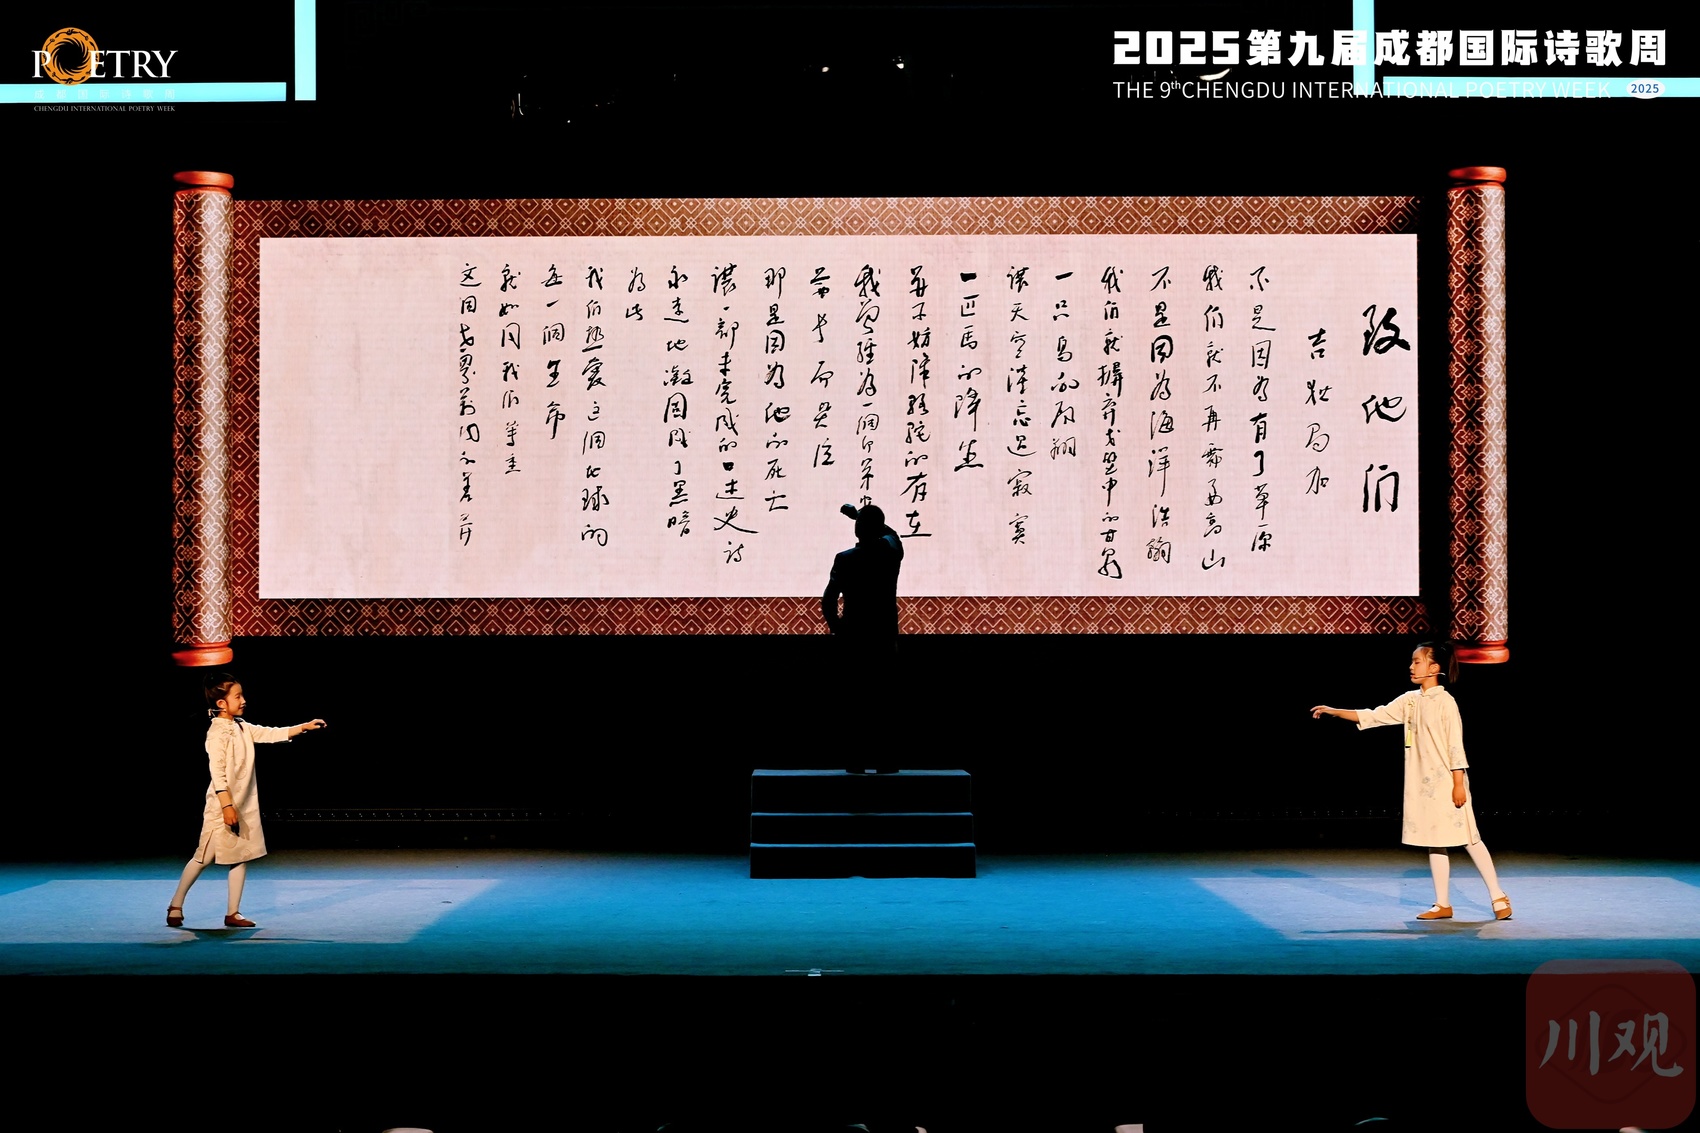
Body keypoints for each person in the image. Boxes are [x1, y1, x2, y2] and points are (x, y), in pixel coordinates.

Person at [1311, 642, 1511, 922]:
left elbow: (1455, 745)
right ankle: (1442, 904)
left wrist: (1458, 783)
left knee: (1469, 838)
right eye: (1412, 661)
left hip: (1447, 782)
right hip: (1422, 784)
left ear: (1434, 667)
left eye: (1417, 662)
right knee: (1435, 841)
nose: (1411, 666)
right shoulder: (1410, 700)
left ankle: (1498, 896)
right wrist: (1335, 711)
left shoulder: (1446, 702)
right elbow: (1374, 715)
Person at [166, 673, 326, 929]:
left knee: (240, 856)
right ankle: (176, 904)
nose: (243, 700)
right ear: (221, 703)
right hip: (222, 807)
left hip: (243, 804)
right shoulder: (217, 733)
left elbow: (268, 733)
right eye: (237, 696)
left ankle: (233, 913)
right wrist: (226, 805)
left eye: (242, 695)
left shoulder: (241, 726)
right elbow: (217, 771)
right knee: (203, 857)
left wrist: (303, 727)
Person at [822, 503, 903, 774]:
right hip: (883, 637)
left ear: (857, 530)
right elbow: (892, 535)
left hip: (854, 638)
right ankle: (886, 761)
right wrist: (860, 515)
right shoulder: (892, 555)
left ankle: (855, 761)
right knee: (884, 701)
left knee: (855, 701)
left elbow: (829, 599)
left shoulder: (845, 559)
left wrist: (837, 628)